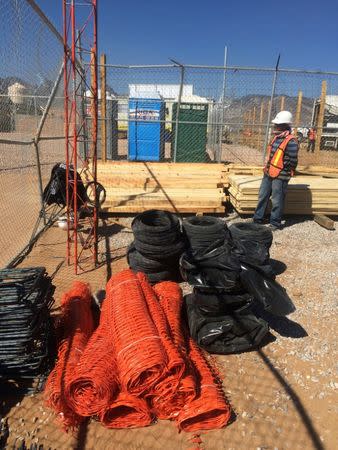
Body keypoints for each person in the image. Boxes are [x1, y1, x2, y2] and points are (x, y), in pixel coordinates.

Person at [253, 111, 299, 231]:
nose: (275, 126)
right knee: (263, 196)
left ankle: (275, 222)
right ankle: (258, 219)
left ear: (285, 125)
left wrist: (288, 170)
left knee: (277, 200)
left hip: (281, 175)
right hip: (268, 172)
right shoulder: (276, 138)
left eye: (278, 124)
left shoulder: (291, 141)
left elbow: (293, 160)